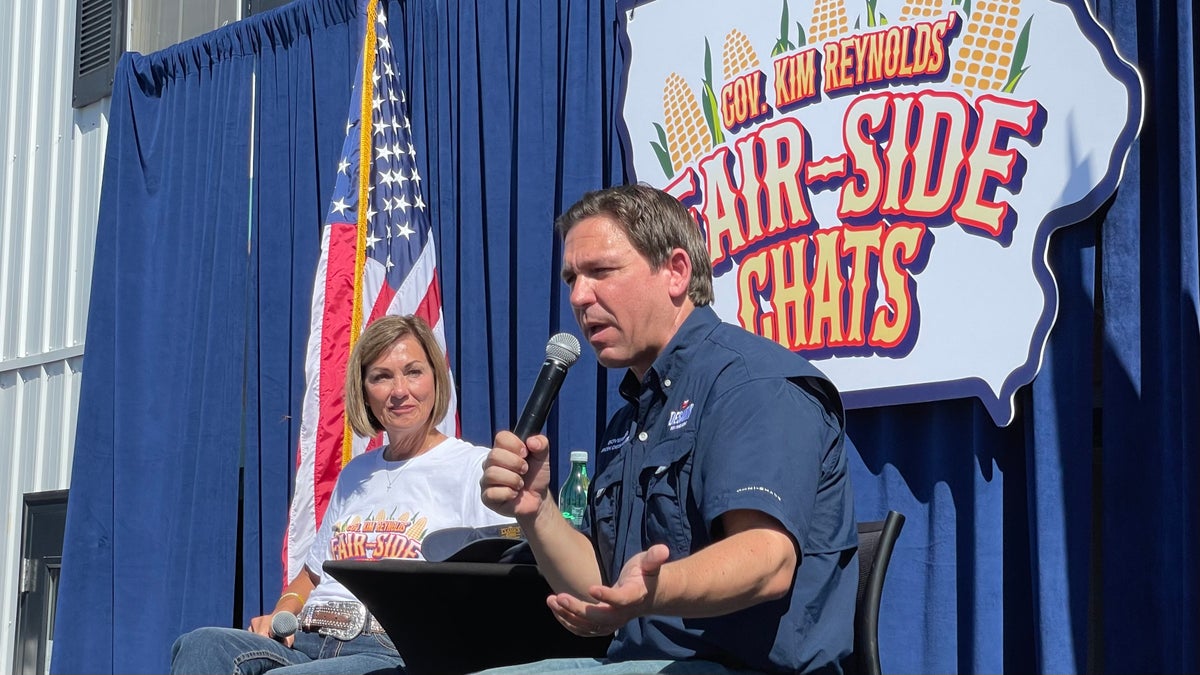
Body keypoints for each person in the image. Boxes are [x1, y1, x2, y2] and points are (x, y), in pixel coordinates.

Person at [479, 185, 858, 675]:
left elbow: (768, 560)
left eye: (601, 272)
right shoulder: (634, 416)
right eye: (572, 277)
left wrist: (654, 591)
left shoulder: (749, 384)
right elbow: (601, 586)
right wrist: (536, 510)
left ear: (676, 272)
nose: (578, 296)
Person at [171, 315, 513, 675]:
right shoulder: (356, 473)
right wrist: (284, 608)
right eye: (381, 376)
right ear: (364, 390)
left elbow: (502, 576)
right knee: (201, 645)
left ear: (436, 378)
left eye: (413, 371)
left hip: (393, 648)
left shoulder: (475, 467)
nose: (399, 390)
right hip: (307, 639)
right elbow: (312, 575)